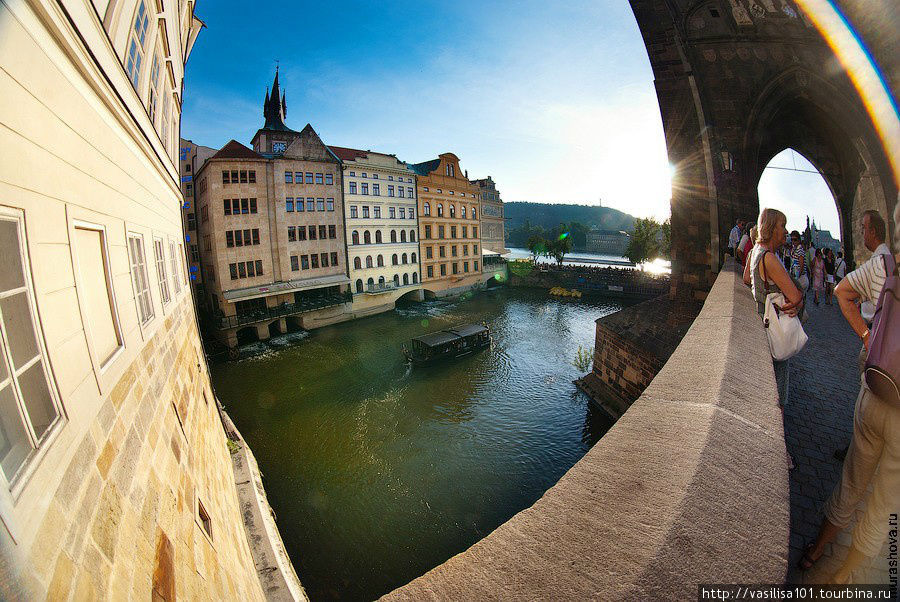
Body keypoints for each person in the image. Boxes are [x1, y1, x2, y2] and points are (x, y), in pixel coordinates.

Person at [799, 207, 898, 583]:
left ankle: (816, 550)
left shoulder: (884, 264)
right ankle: (847, 574)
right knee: (886, 502)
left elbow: (841, 292)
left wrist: (868, 336)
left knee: (853, 480)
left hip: (878, 386)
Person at [749, 209, 803, 407]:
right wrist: (798, 301)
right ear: (771, 228)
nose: (786, 231)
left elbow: (747, 278)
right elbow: (795, 296)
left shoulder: (756, 251)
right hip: (774, 329)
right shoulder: (769, 257)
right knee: (777, 394)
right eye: (782, 225)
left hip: (763, 321)